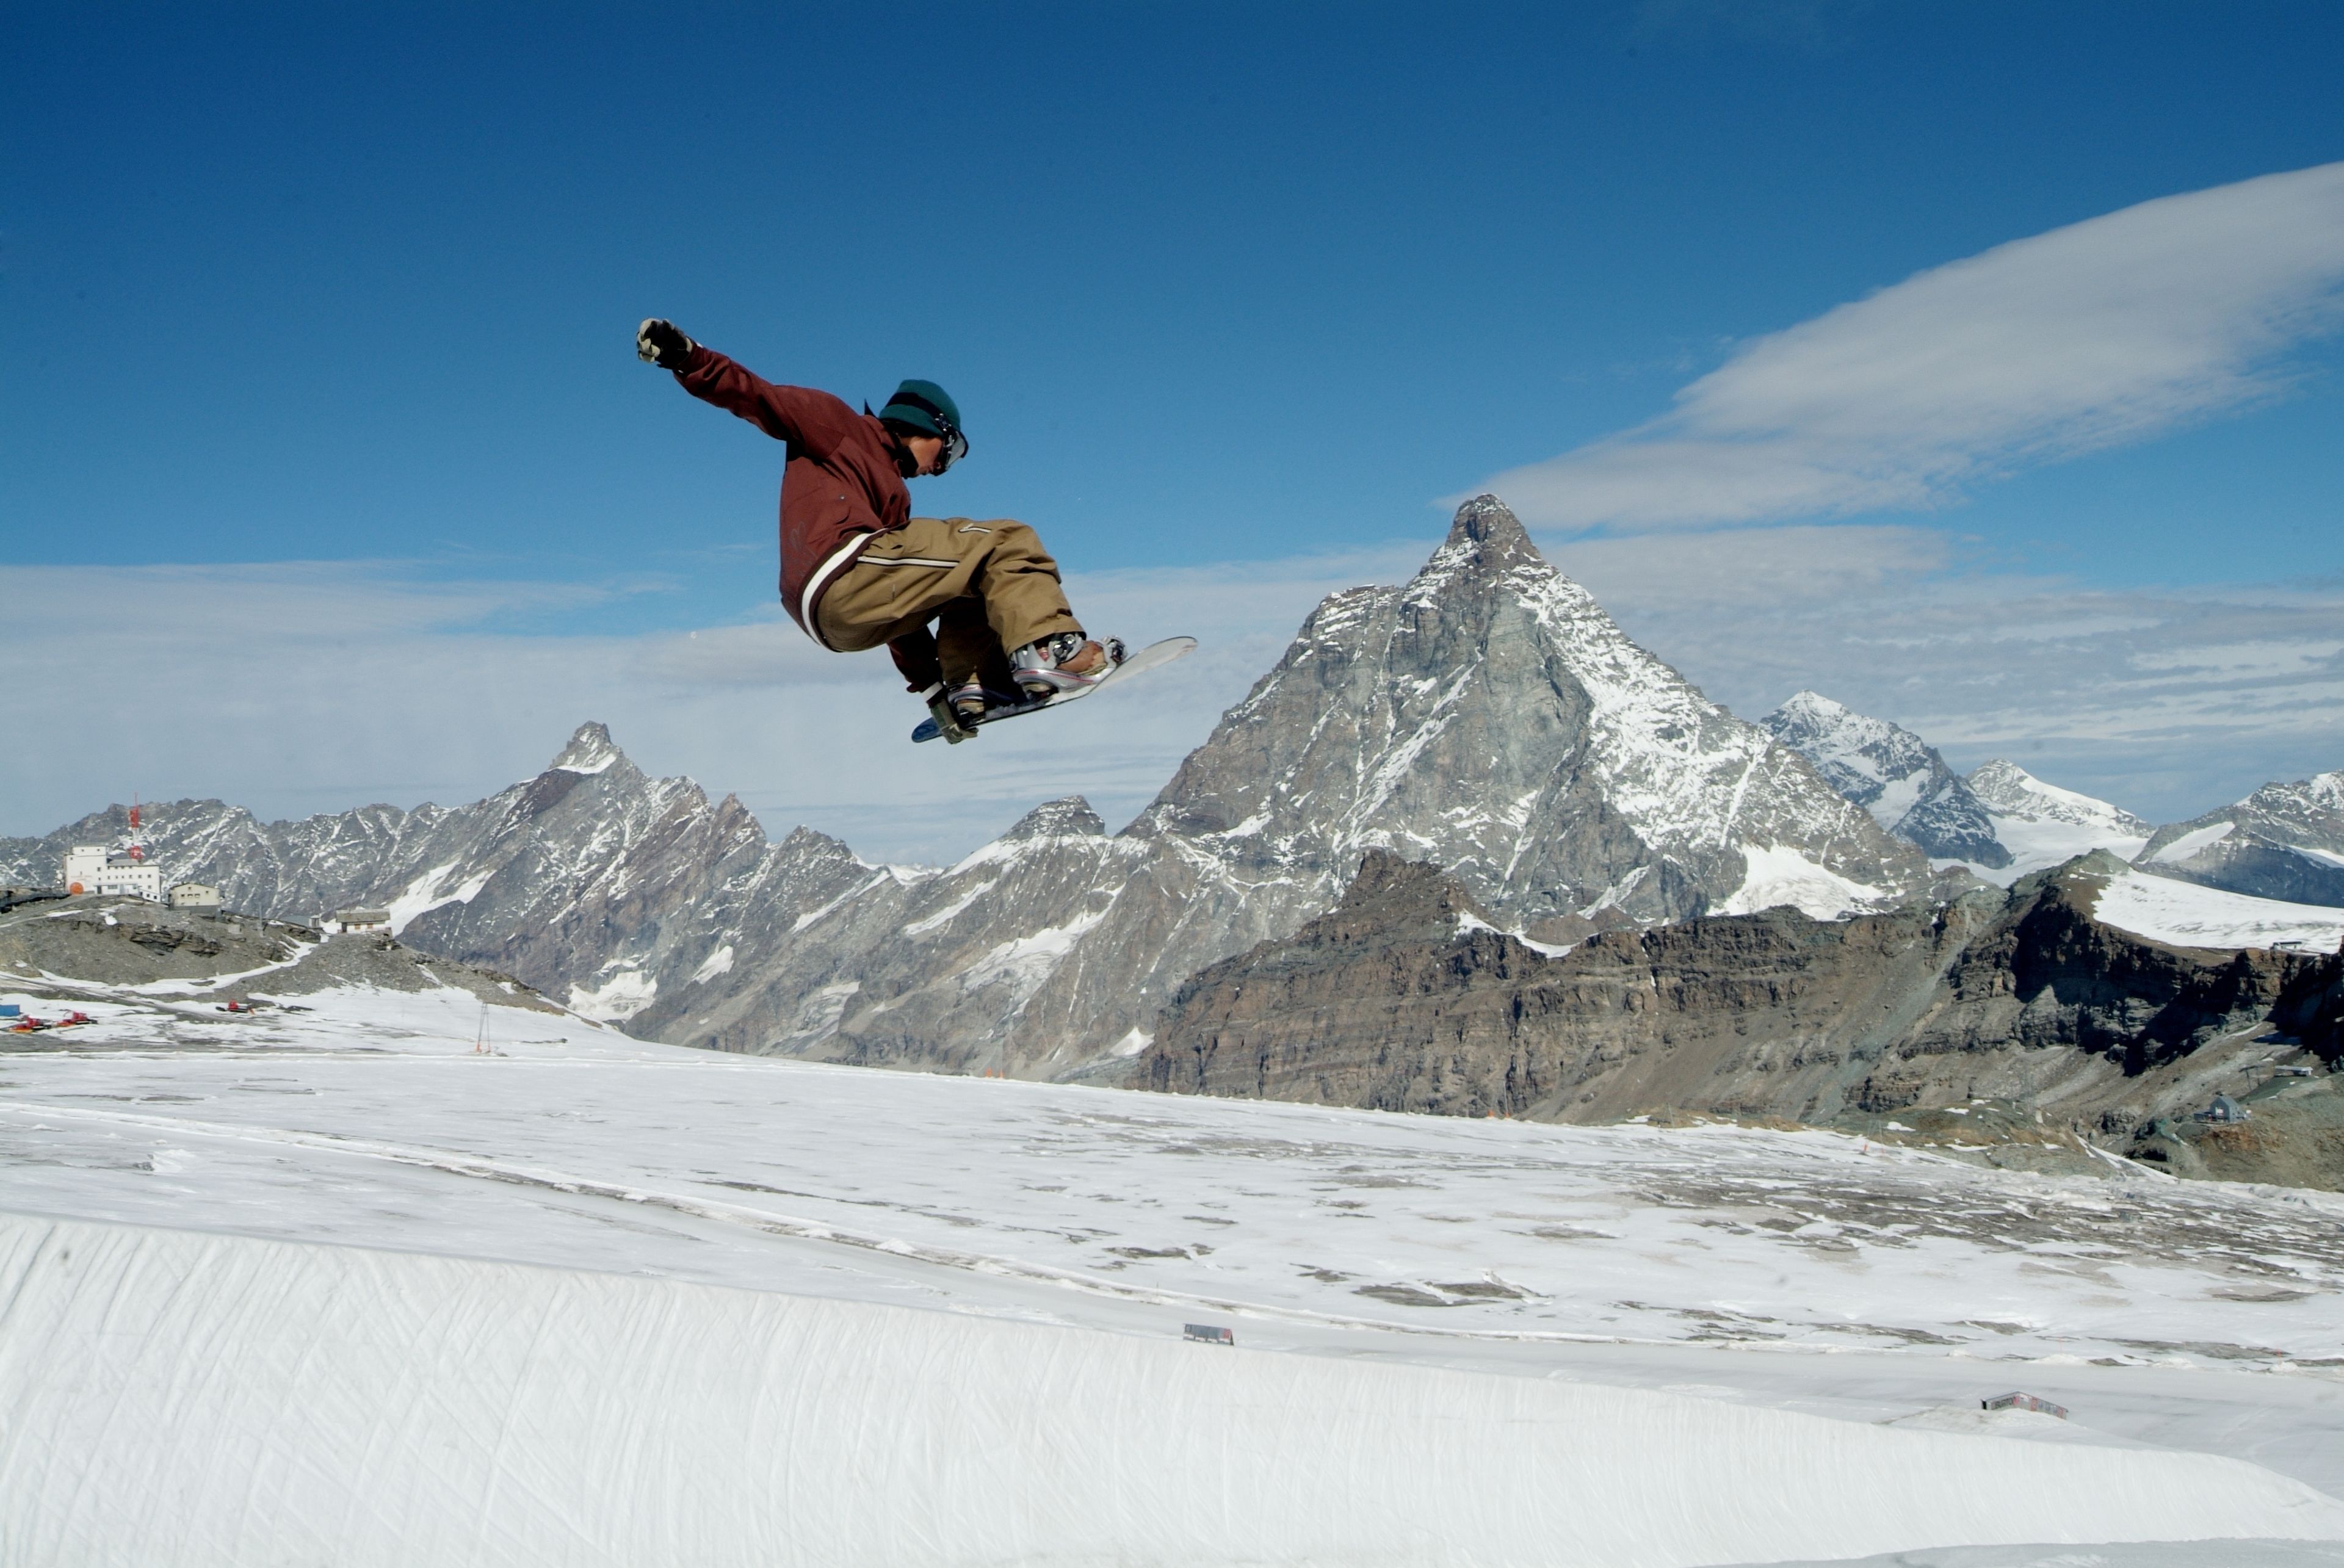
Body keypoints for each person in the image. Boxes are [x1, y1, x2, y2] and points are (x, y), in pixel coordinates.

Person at [635, 317, 1120, 742]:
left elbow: (903, 617)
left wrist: (936, 696)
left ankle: (975, 684)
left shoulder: (892, 499)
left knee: (971, 579)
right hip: (840, 566)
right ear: (926, 427)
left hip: (837, 616)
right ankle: (1053, 650)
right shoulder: (837, 423)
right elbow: (758, 397)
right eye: (949, 453)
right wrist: (687, 356)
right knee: (1008, 540)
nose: (943, 468)